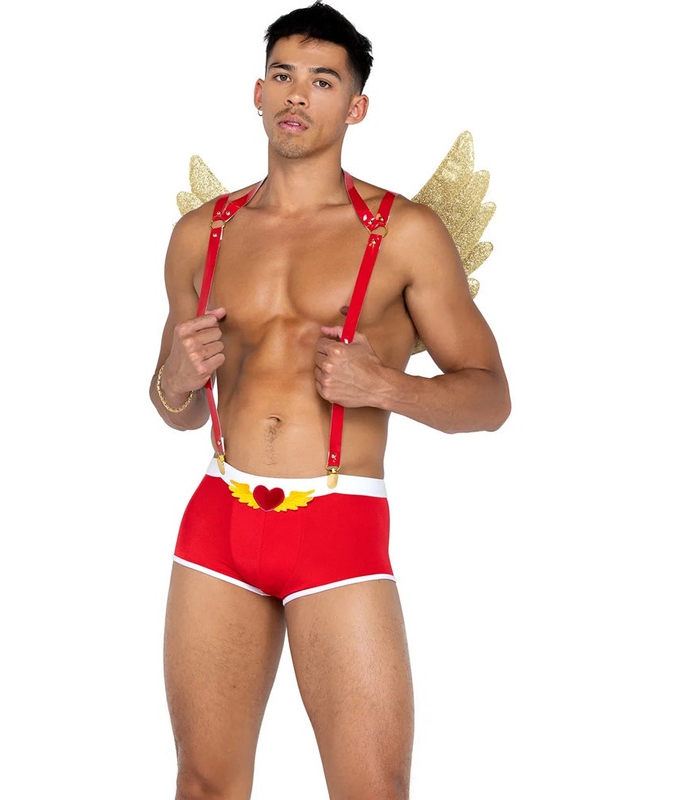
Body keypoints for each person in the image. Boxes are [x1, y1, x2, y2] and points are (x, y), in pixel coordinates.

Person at [149, 3, 510, 797]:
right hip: (217, 521)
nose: (296, 94)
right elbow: (177, 406)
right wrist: (172, 381)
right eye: (282, 75)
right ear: (257, 91)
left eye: (322, 81)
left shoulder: (405, 233)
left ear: (356, 106)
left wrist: (384, 386)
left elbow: (490, 397)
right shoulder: (201, 234)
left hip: (337, 526)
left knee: (372, 788)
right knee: (203, 784)